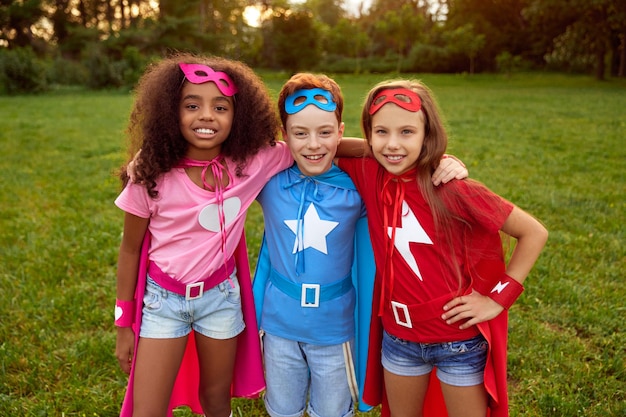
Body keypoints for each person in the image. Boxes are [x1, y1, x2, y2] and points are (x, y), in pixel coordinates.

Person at [252, 73, 469, 417]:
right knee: (282, 409)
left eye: (325, 132)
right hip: (278, 325)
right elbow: (213, 166)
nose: (313, 145)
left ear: (340, 132)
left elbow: (403, 169)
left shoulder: (358, 186)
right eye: (300, 134)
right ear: (285, 136)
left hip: (336, 329)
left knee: (334, 410)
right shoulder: (268, 181)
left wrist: (440, 160)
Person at [336, 80, 548, 417]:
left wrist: (497, 299)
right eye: (381, 132)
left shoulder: (451, 187)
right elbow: (327, 144)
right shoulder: (369, 171)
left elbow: (533, 232)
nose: (393, 144)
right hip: (398, 339)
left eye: (407, 132)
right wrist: (378, 147)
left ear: (427, 134)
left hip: (458, 344)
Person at [113, 52, 296, 417]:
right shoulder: (151, 170)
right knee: (147, 409)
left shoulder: (253, 162)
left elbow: (315, 148)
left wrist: (398, 154)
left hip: (221, 299)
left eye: (221, 107)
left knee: (216, 400)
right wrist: (123, 323)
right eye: (192, 105)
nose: (207, 116)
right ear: (170, 112)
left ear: (238, 116)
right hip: (163, 303)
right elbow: (130, 249)